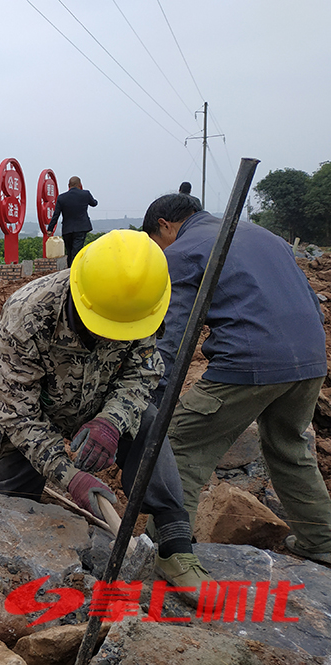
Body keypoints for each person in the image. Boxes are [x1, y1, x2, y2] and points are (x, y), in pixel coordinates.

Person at [0, 229, 211, 603]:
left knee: (149, 425)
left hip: (101, 400)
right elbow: (16, 410)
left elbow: (142, 372)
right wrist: (69, 476)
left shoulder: (141, 304)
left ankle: (175, 544)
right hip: (35, 410)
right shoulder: (28, 312)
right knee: (15, 501)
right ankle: (9, 566)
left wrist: (111, 422)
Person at [143, 193, 331, 565]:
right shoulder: (263, 235)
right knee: (289, 448)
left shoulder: (182, 252)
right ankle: (321, 540)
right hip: (310, 359)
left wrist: (154, 399)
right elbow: (314, 305)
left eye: (155, 242)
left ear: (164, 226)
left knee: (179, 446)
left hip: (249, 360)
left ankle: (166, 554)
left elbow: (173, 335)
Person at [46, 176, 98, 267]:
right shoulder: (85, 194)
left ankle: (70, 269)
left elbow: (56, 215)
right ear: (80, 185)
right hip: (81, 228)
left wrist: (50, 229)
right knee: (76, 252)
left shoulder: (61, 198)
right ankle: (73, 270)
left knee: (69, 252)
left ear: (68, 185)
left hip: (67, 229)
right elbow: (94, 203)